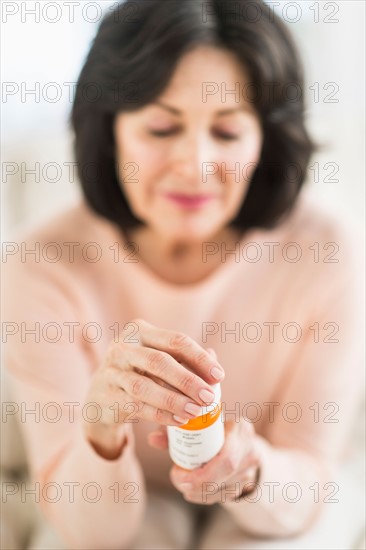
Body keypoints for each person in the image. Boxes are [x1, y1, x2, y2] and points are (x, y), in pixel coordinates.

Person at [3, 1, 364, 549]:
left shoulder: (325, 252)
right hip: (116, 511)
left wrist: (251, 471)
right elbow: (86, 531)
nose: (195, 165)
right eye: (162, 126)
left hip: (263, 506)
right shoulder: (38, 267)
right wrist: (101, 430)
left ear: (265, 141)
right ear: (110, 130)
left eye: (226, 132)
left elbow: (309, 484)